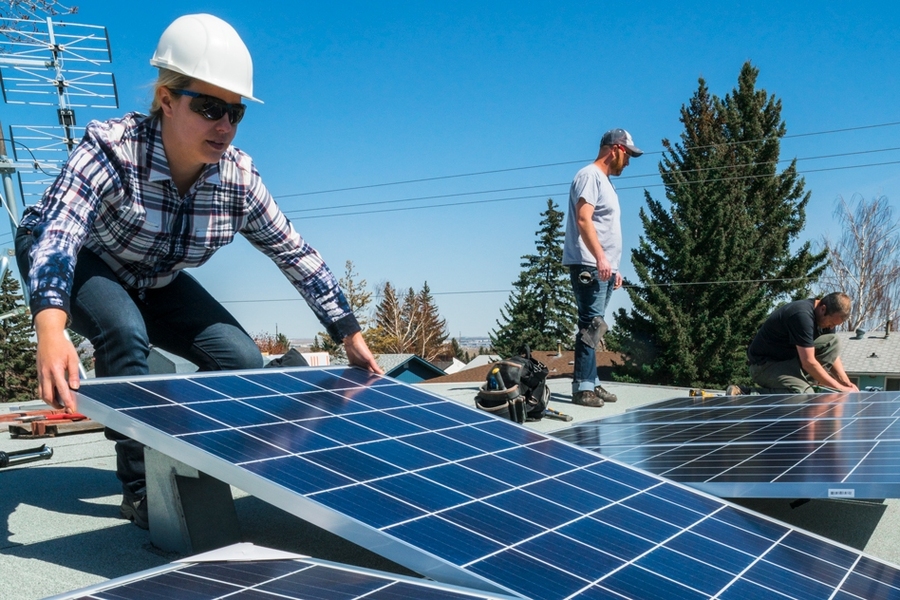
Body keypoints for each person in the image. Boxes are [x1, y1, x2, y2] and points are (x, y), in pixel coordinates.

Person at [15, 14, 381, 529]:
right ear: (166, 99)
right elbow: (61, 234)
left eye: (235, 113)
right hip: (74, 255)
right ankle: (144, 487)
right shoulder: (113, 150)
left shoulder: (237, 180)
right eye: (209, 108)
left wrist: (348, 333)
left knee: (241, 357)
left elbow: (294, 253)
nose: (225, 126)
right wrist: (50, 328)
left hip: (152, 277)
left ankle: (192, 450)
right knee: (122, 330)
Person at [562, 129, 642, 407]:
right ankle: (582, 388)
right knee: (591, 326)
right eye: (628, 155)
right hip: (589, 264)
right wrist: (599, 258)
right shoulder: (589, 176)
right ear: (616, 149)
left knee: (596, 327)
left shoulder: (606, 182)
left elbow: (604, 228)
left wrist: (614, 266)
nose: (629, 161)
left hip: (604, 267)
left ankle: (592, 383)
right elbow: (584, 220)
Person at [746, 292, 858, 393]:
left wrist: (845, 383)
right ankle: (746, 393)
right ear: (823, 309)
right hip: (764, 366)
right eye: (831, 323)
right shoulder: (801, 315)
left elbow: (832, 353)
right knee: (804, 395)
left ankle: (808, 384)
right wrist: (840, 389)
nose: (831, 327)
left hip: (790, 362)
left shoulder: (825, 318)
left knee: (834, 340)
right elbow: (808, 362)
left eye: (835, 325)